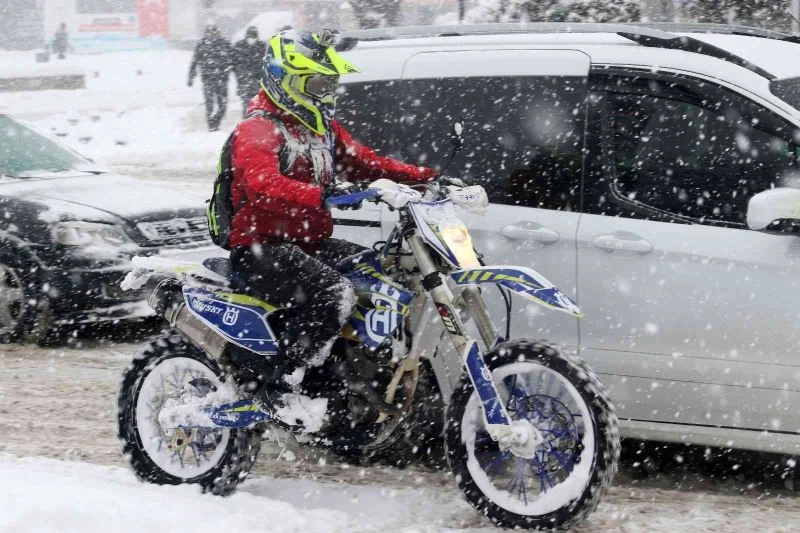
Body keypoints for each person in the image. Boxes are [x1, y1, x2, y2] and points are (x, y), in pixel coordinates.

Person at [227, 29, 437, 409]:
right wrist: (325, 194)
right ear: (286, 79)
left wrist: (426, 178)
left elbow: (365, 160)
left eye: (330, 82)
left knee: (377, 275)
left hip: (309, 242)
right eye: (319, 82)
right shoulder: (257, 129)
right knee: (334, 293)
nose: (327, 91)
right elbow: (263, 186)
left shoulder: (319, 128)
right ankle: (281, 385)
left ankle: (343, 376)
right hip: (261, 248)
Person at [188, 24, 233, 131]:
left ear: (217, 32)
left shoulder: (224, 43)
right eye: (209, 32)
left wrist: (230, 71)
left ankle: (216, 120)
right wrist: (191, 76)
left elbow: (233, 60)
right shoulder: (202, 44)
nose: (211, 34)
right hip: (207, 79)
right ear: (206, 33)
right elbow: (195, 61)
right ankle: (212, 126)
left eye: (214, 31)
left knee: (223, 105)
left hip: (222, 79)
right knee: (209, 105)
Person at [232, 26, 266, 117]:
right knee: (247, 105)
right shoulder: (239, 46)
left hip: (258, 81)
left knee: (259, 106)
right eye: (250, 37)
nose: (252, 39)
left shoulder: (261, 46)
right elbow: (236, 65)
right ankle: (247, 123)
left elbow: (264, 63)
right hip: (245, 82)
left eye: (254, 37)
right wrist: (243, 76)